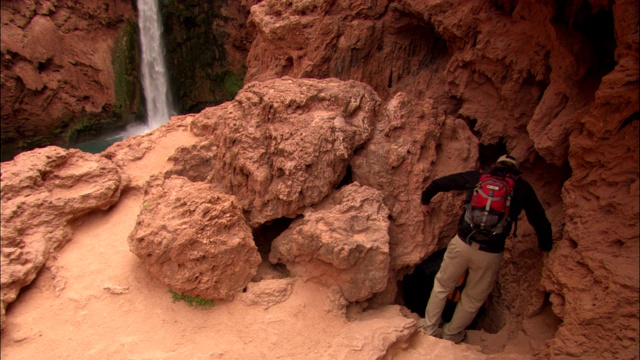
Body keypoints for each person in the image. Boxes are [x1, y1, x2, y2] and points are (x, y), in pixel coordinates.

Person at [418, 154, 552, 343]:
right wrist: (546, 247)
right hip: (490, 253)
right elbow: (539, 220)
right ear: (515, 170)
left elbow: (442, 183)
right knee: (472, 299)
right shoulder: (522, 188)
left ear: (496, 166)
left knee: (441, 286)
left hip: (462, 243)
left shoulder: (477, 178)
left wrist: (425, 199)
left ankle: (429, 328)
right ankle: (451, 334)